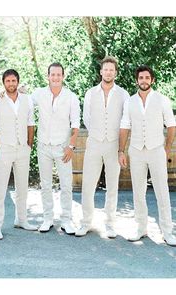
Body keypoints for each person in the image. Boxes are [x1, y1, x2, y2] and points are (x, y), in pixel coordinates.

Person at [119, 65, 176, 246]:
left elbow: (171, 125)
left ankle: (167, 232)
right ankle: (140, 228)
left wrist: (166, 148)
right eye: (141, 78)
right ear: (137, 80)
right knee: (138, 191)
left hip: (156, 149)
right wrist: (121, 150)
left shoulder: (162, 100)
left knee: (162, 191)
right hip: (136, 150)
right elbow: (125, 126)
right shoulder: (130, 101)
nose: (144, 80)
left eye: (147, 77)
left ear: (152, 80)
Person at [75, 56, 130, 238]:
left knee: (112, 186)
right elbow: (86, 118)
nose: (108, 72)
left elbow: (125, 120)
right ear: (101, 71)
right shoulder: (91, 93)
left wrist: (117, 143)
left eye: (111, 70)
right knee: (88, 185)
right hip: (94, 143)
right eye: (105, 69)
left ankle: (110, 225)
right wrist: (98, 133)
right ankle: (86, 222)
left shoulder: (123, 94)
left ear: (115, 72)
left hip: (114, 145)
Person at [31, 63, 80, 235]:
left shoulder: (71, 97)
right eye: (53, 74)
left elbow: (75, 125)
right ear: (48, 76)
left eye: (59, 74)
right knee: (45, 184)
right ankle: (47, 219)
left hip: (63, 147)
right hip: (43, 146)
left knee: (66, 185)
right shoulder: (39, 94)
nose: (56, 77)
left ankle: (66, 220)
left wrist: (71, 146)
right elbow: (22, 102)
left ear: (63, 76)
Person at [0, 69, 37, 240]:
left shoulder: (27, 99)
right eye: (8, 81)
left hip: (22, 149)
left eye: (14, 80)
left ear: (18, 82)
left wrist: (29, 145)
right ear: (3, 83)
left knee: (22, 186)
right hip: (4, 149)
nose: (11, 83)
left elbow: (31, 124)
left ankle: (22, 219)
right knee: (0, 188)